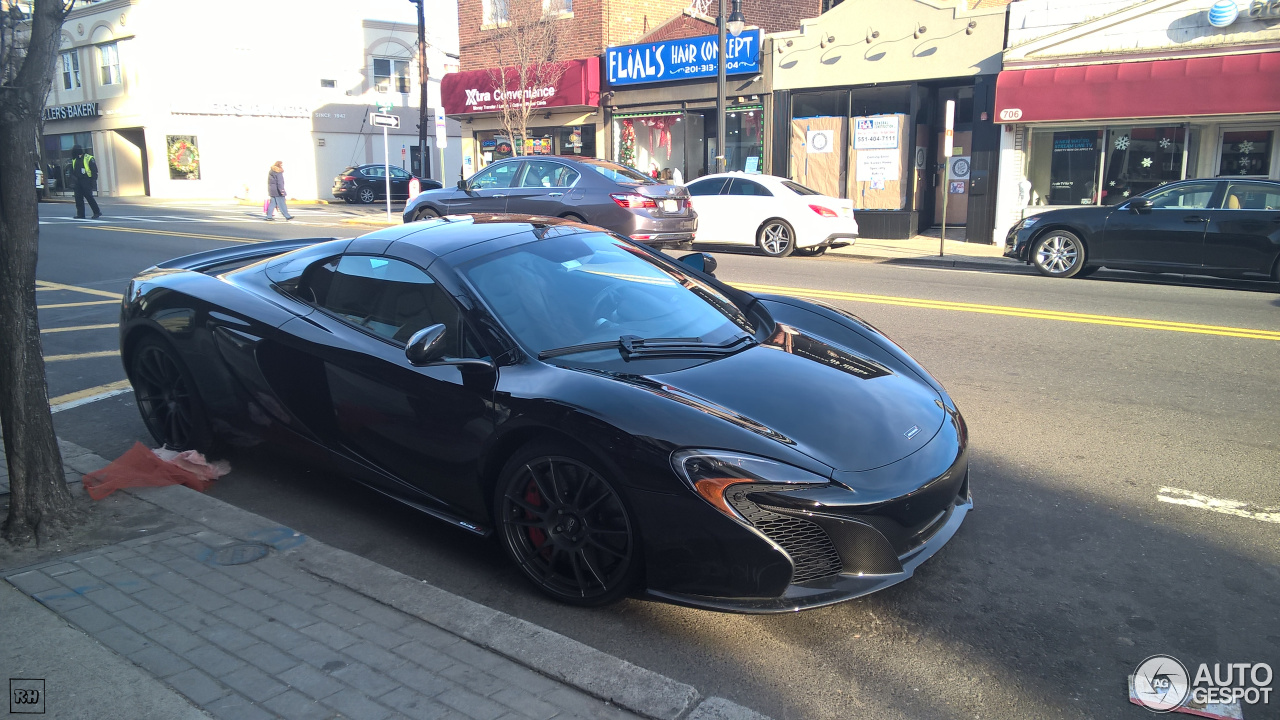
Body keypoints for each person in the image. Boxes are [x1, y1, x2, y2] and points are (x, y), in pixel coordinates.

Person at [71, 145, 101, 219]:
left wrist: (93, 181)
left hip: (87, 180)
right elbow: (73, 171)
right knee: (78, 198)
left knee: (89, 197)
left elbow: (94, 171)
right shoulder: (74, 159)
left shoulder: (89, 158)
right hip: (78, 181)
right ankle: (80, 214)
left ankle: (97, 212)